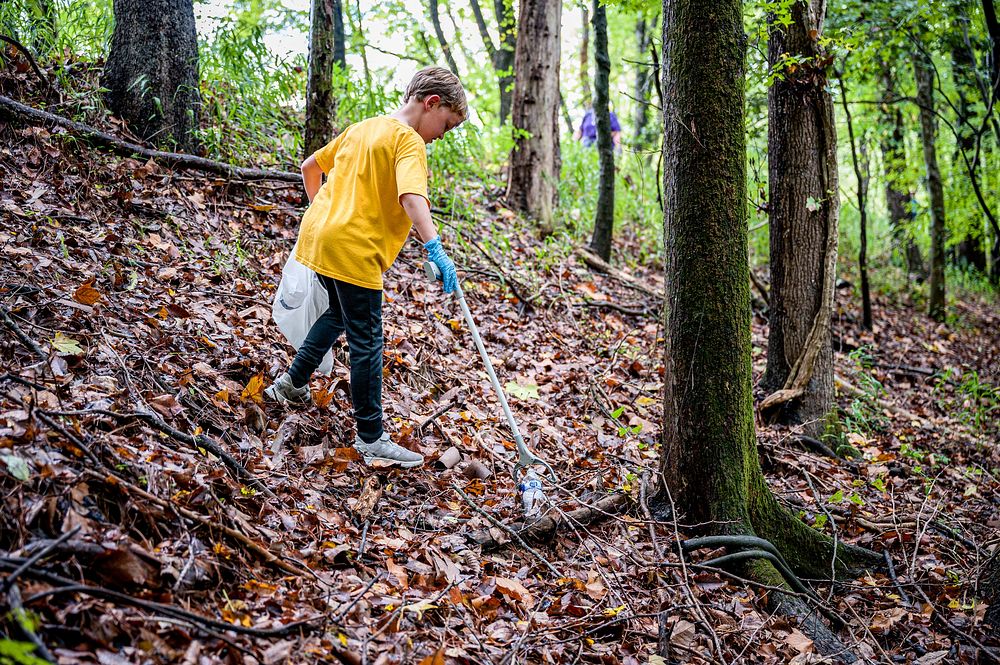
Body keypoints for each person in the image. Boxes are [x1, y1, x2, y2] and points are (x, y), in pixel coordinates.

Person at [264, 66, 467, 469]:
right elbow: (411, 196)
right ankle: (372, 438)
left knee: (339, 315)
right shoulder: (408, 141)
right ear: (431, 104)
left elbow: (310, 167)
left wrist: (323, 213)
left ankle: (291, 384)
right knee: (368, 341)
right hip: (354, 251)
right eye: (446, 124)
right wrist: (435, 247)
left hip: (320, 238)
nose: (442, 134)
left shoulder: (365, 127)